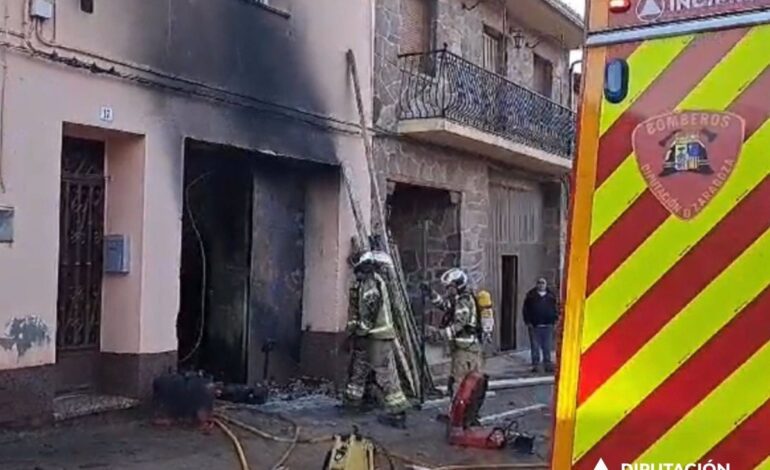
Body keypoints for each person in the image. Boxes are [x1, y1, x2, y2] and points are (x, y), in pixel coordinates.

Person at [343, 250, 409, 428]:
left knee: (384, 374)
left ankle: (398, 412)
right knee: (359, 366)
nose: (355, 272)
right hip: (368, 336)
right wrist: (351, 333)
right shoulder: (361, 284)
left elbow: (369, 315)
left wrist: (359, 333)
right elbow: (356, 314)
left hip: (378, 336)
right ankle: (352, 403)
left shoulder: (371, 283)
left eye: (357, 268)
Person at [422, 268, 482, 398]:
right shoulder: (459, 299)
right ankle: (462, 414)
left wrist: (437, 334)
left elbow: (458, 326)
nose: (448, 290)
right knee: (461, 383)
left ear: (457, 285)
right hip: (463, 348)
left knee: (459, 384)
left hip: (466, 350)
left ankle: (458, 416)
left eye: (449, 287)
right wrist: (431, 294)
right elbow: (446, 306)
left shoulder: (464, 301)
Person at [523, 277, 559, 373]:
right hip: (535, 325)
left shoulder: (551, 296)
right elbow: (525, 310)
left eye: (543, 283)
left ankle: (547, 364)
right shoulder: (531, 296)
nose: (541, 285)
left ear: (546, 285)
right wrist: (528, 322)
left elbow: (556, 308)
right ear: (536, 284)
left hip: (548, 325)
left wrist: (555, 320)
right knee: (535, 346)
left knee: (546, 346)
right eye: (539, 283)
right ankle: (536, 365)